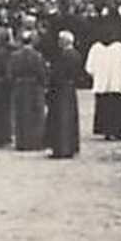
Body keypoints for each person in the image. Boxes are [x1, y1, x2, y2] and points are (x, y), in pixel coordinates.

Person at [86, 22, 121, 141]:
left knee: (106, 107)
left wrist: (97, 75)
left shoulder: (96, 48)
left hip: (103, 84)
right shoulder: (120, 48)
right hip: (116, 83)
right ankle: (116, 130)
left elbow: (89, 68)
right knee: (116, 107)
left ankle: (108, 130)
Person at [43, 30, 82, 159]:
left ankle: (61, 148)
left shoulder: (63, 56)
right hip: (70, 88)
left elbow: (57, 73)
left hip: (60, 89)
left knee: (60, 119)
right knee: (69, 118)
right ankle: (70, 146)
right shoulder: (76, 55)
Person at [8, 31, 48, 152]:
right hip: (34, 88)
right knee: (35, 115)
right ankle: (34, 142)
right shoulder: (38, 56)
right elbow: (42, 73)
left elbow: (10, 73)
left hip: (20, 87)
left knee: (20, 114)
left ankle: (21, 142)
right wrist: (44, 85)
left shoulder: (14, 56)